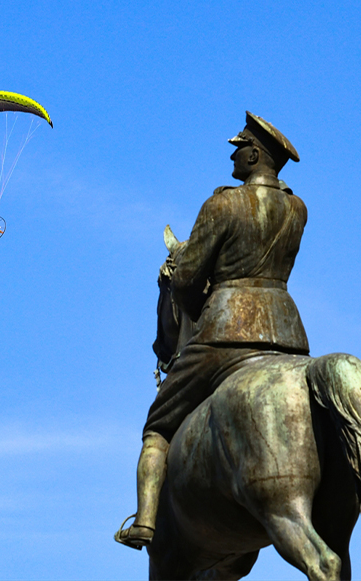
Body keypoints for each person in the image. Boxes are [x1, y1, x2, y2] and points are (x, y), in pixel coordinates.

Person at [115, 112, 310, 550]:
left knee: (157, 426)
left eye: (239, 147)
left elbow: (184, 278)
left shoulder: (222, 204)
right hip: (289, 338)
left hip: (225, 332)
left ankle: (145, 521)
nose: (233, 154)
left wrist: (198, 308)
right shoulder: (298, 209)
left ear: (256, 154)